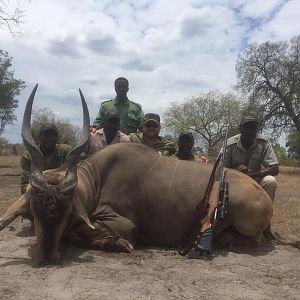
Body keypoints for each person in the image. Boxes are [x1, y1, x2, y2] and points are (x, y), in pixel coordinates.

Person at [222, 116, 279, 202]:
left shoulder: (263, 142)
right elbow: (220, 169)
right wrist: (235, 172)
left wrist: (252, 174)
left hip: (255, 180)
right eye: (246, 128)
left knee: (270, 181)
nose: (250, 132)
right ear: (240, 129)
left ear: (257, 130)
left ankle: (265, 214)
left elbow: (275, 169)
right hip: (233, 181)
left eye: (253, 128)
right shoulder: (229, 144)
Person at [20, 123, 72, 194]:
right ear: (39, 137)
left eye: (53, 135)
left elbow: (79, 158)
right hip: (38, 194)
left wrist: (82, 155)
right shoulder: (28, 156)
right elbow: (25, 184)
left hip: (62, 193)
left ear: (57, 137)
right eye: (46, 135)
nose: (50, 139)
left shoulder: (65, 150)